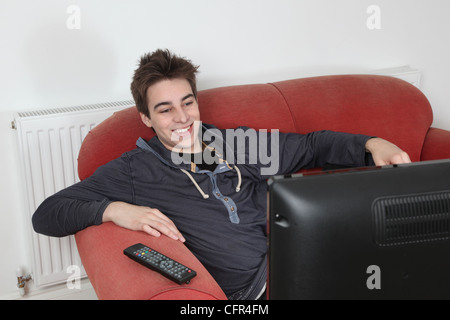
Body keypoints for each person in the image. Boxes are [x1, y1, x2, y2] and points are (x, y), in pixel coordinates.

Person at [32, 49, 411, 299]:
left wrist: (373, 144)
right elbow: (48, 213)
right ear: (146, 118)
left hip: (304, 261)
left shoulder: (237, 143)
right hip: (253, 293)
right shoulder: (134, 170)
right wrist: (116, 210)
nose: (181, 118)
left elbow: (312, 146)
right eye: (165, 110)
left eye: (187, 102)